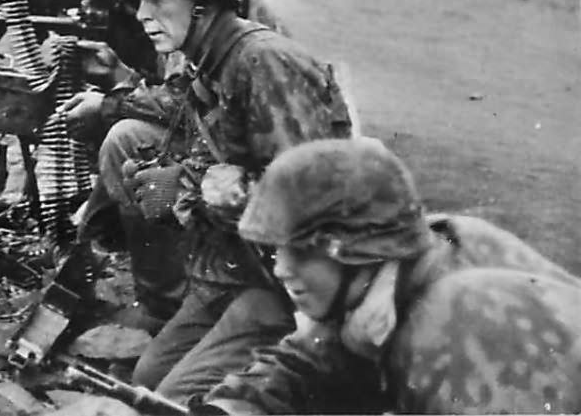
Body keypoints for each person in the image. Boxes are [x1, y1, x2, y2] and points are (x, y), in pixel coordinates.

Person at [110, 0, 352, 402]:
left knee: (172, 402)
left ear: (202, 2)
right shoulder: (210, 65)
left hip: (296, 284)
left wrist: (187, 187)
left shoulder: (263, 62)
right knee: (144, 380)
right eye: (140, 1)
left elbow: (308, 194)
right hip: (238, 267)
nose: (142, 14)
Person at [197, 138, 581, 414]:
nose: (281, 269)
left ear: (358, 251)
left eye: (301, 251)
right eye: (277, 251)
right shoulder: (397, 268)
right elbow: (309, 356)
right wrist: (232, 408)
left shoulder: (459, 323)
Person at [60, 0, 288, 322]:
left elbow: (183, 103)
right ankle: (160, 290)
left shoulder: (235, 31)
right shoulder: (174, 11)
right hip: (224, 153)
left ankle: (170, 300)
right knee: (131, 147)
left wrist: (111, 104)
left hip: (258, 174)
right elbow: (179, 91)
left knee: (125, 139)